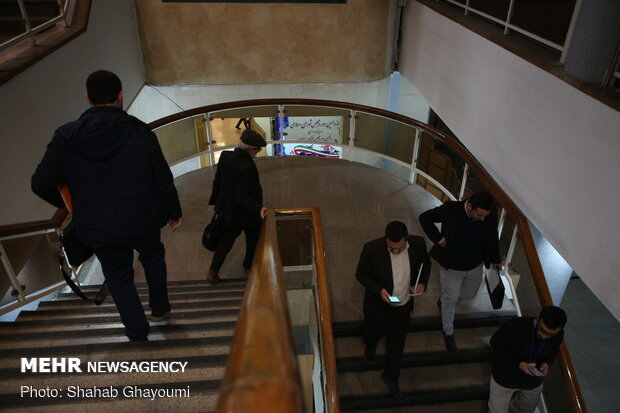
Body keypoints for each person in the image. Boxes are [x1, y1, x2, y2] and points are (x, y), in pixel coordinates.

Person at [31, 70, 182, 342]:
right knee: (153, 258)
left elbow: (41, 183)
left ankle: (137, 332)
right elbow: (162, 179)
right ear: (121, 95)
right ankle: (160, 309)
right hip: (144, 218)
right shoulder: (141, 132)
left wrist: (75, 206)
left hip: (98, 226)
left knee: (118, 276)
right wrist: (174, 212)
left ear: (88, 98)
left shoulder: (65, 137)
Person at [355, 221, 431, 399]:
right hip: (379, 303)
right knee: (373, 330)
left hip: (402, 305)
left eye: (400, 248)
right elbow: (361, 274)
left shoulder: (418, 243)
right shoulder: (371, 248)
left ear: (407, 239)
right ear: (385, 239)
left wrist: (422, 283)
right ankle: (370, 344)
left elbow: (426, 264)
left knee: (397, 347)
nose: (396, 251)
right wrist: (379, 290)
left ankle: (392, 379)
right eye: (392, 248)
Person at [419, 191, 501, 352]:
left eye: (485, 216)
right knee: (451, 299)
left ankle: (444, 300)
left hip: (475, 265)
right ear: (470, 206)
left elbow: (492, 234)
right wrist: (439, 239)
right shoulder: (451, 209)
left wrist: (496, 258)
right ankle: (448, 331)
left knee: (469, 294)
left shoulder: (488, 213)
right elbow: (425, 218)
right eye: (479, 215)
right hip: (452, 265)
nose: (483, 219)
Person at [207, 129, 268, 283]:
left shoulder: (226, 156)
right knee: (253, 238)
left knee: (226, 241)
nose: (258, 152)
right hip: (245, 213)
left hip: (228, 210)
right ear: (250, 149)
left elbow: (218, 181)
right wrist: (258, 208)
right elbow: (241, 196)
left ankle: (213, 271)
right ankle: (249, 264)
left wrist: (218, 202)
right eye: (257, 149)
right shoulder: (247, 167)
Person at [488, 306, 567, 413]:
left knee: (525, 410)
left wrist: (547, 363)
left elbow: (554, 350)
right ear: (538, 317)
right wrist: (519, 364)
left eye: (550, 335)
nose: (544, 336)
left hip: (532, 380)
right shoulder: (516, 325)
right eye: (542, 330)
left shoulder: (558, 334)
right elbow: (495, 344)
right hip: (505, 377)